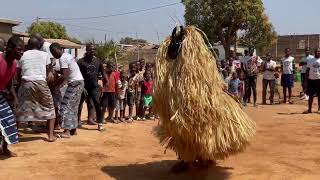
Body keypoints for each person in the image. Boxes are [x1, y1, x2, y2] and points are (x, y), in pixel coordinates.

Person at [16, 37, 56, 142]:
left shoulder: (22, 55)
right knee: (50, 107)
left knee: (19, 108)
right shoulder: (45, 55)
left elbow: (18, 73)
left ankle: (14, 135)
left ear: (28, 46)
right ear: (39, 46)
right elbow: (49, 70)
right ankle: (50, 136)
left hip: (26, 82)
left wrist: (18, 88)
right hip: (40, 82)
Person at [50, 43, 84, 138]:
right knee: (73, 107)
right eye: (52, 53)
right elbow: (66, 71)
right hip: (79, 82)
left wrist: (55, 84)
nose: (54, 54)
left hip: (74, 83)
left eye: (55, 51)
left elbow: (65, 76)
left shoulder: (62, 58)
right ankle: (73, 129)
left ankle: (67, 131)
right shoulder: (68, 55)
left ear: (60, 49)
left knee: (65, 106)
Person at [0, 36, 24, 157]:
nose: (22, 52)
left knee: (9, 120)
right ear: (9, 48)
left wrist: (15, 98)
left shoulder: (14, 64)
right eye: (19, 49)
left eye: (22, 50)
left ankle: (4, 148)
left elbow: (9, 84)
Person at [77, 44, 106, 131]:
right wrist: (82, 87)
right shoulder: (81, 62)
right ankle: (77, 121)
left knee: (97, 104)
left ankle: (100, 123)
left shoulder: (98, 61)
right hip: (83, 87)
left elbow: (103, 73)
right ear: (87, 50)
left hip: (94, 87)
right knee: (79, 104)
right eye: (91, 49)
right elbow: (77, 75)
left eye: (94, 49)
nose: (92, 51)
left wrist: (105, 84)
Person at [304, 48, 320, 114]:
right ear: (314, 52)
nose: (317, 52)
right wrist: (305, 80)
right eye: (316, 51)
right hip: (311, 80)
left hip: (319, 80)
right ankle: (309, 109)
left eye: (318, 51)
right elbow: (307, 70)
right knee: (310, 95)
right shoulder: (310, 60)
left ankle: (319, 109)